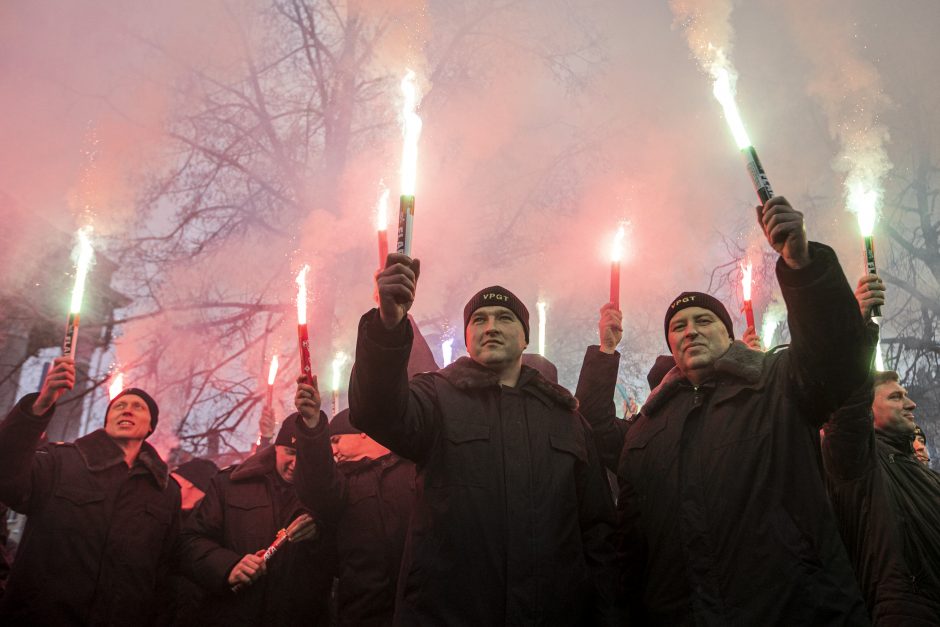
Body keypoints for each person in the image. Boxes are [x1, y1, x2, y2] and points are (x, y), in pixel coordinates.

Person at [613, 197, 872, 624]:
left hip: (796, 610)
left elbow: (837, 360)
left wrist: (803, 267)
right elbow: (631, 546)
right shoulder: (646, 431)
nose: (690, 330)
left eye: (704, 321)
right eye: (678, 326)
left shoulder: (777, 383)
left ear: (728, 333)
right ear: (670, 346)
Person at [349, 271, 621, 625]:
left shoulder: (567, 420)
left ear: (525, 338)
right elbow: (377, 410)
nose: (490, 326)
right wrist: (387, 327)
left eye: (504, 318)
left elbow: (598, 534)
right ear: (467, 337)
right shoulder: (435, 398)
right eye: (479, 319)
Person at [0, 357, 181, 625]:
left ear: (151, 426)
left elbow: (165, 571)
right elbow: (6, 476)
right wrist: (39, 406)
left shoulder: (166, 491)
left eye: (137, 407)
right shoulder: (59, 461)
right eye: (119, 406)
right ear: (107, 422)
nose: (127, 410)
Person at [180, 417, 333, 627]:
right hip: (234, 614)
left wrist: (319, 534)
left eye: (305, 455)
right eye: (290, 451)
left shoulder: (325, 496)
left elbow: (340, 556)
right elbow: (191, 541)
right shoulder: (230, 484)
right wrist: (228, 566)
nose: (296, 462)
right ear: (276, 448)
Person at [292, 401, 415, 627]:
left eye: (336, 440)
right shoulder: (342, 484)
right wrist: (311, 427)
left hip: (420, 605)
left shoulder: (413, 469)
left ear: (363, 434)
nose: (332, 450)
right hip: (364, 609)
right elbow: (317, 485)